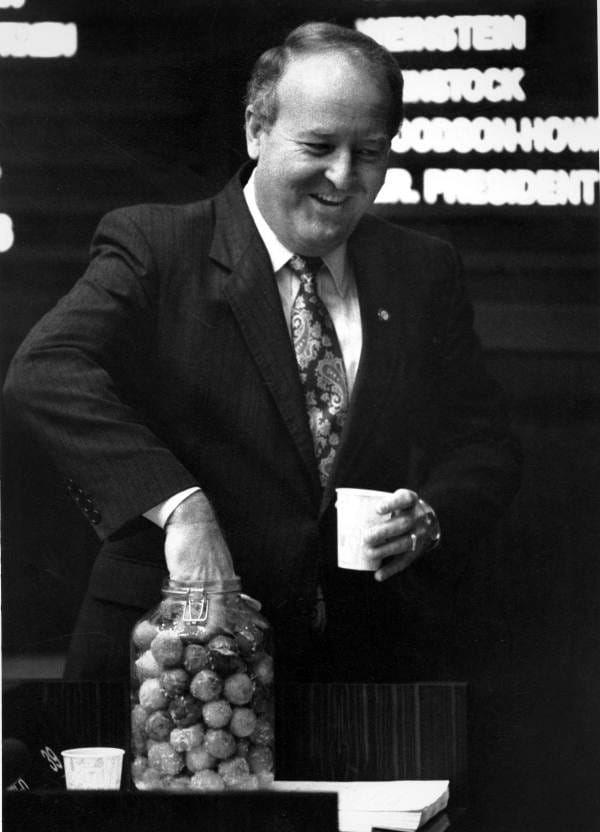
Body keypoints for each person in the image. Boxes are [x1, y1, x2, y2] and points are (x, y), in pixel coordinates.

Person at [4, 22, 521, 682]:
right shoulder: (157, 248)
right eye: (319, 146)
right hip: (169, 669)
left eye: (368, 152)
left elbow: (486, 442)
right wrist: (180, 506)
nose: (343, 176)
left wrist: (433, 515)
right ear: (256, 130)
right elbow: (46, 369)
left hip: (356, 673)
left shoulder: (423, 270)